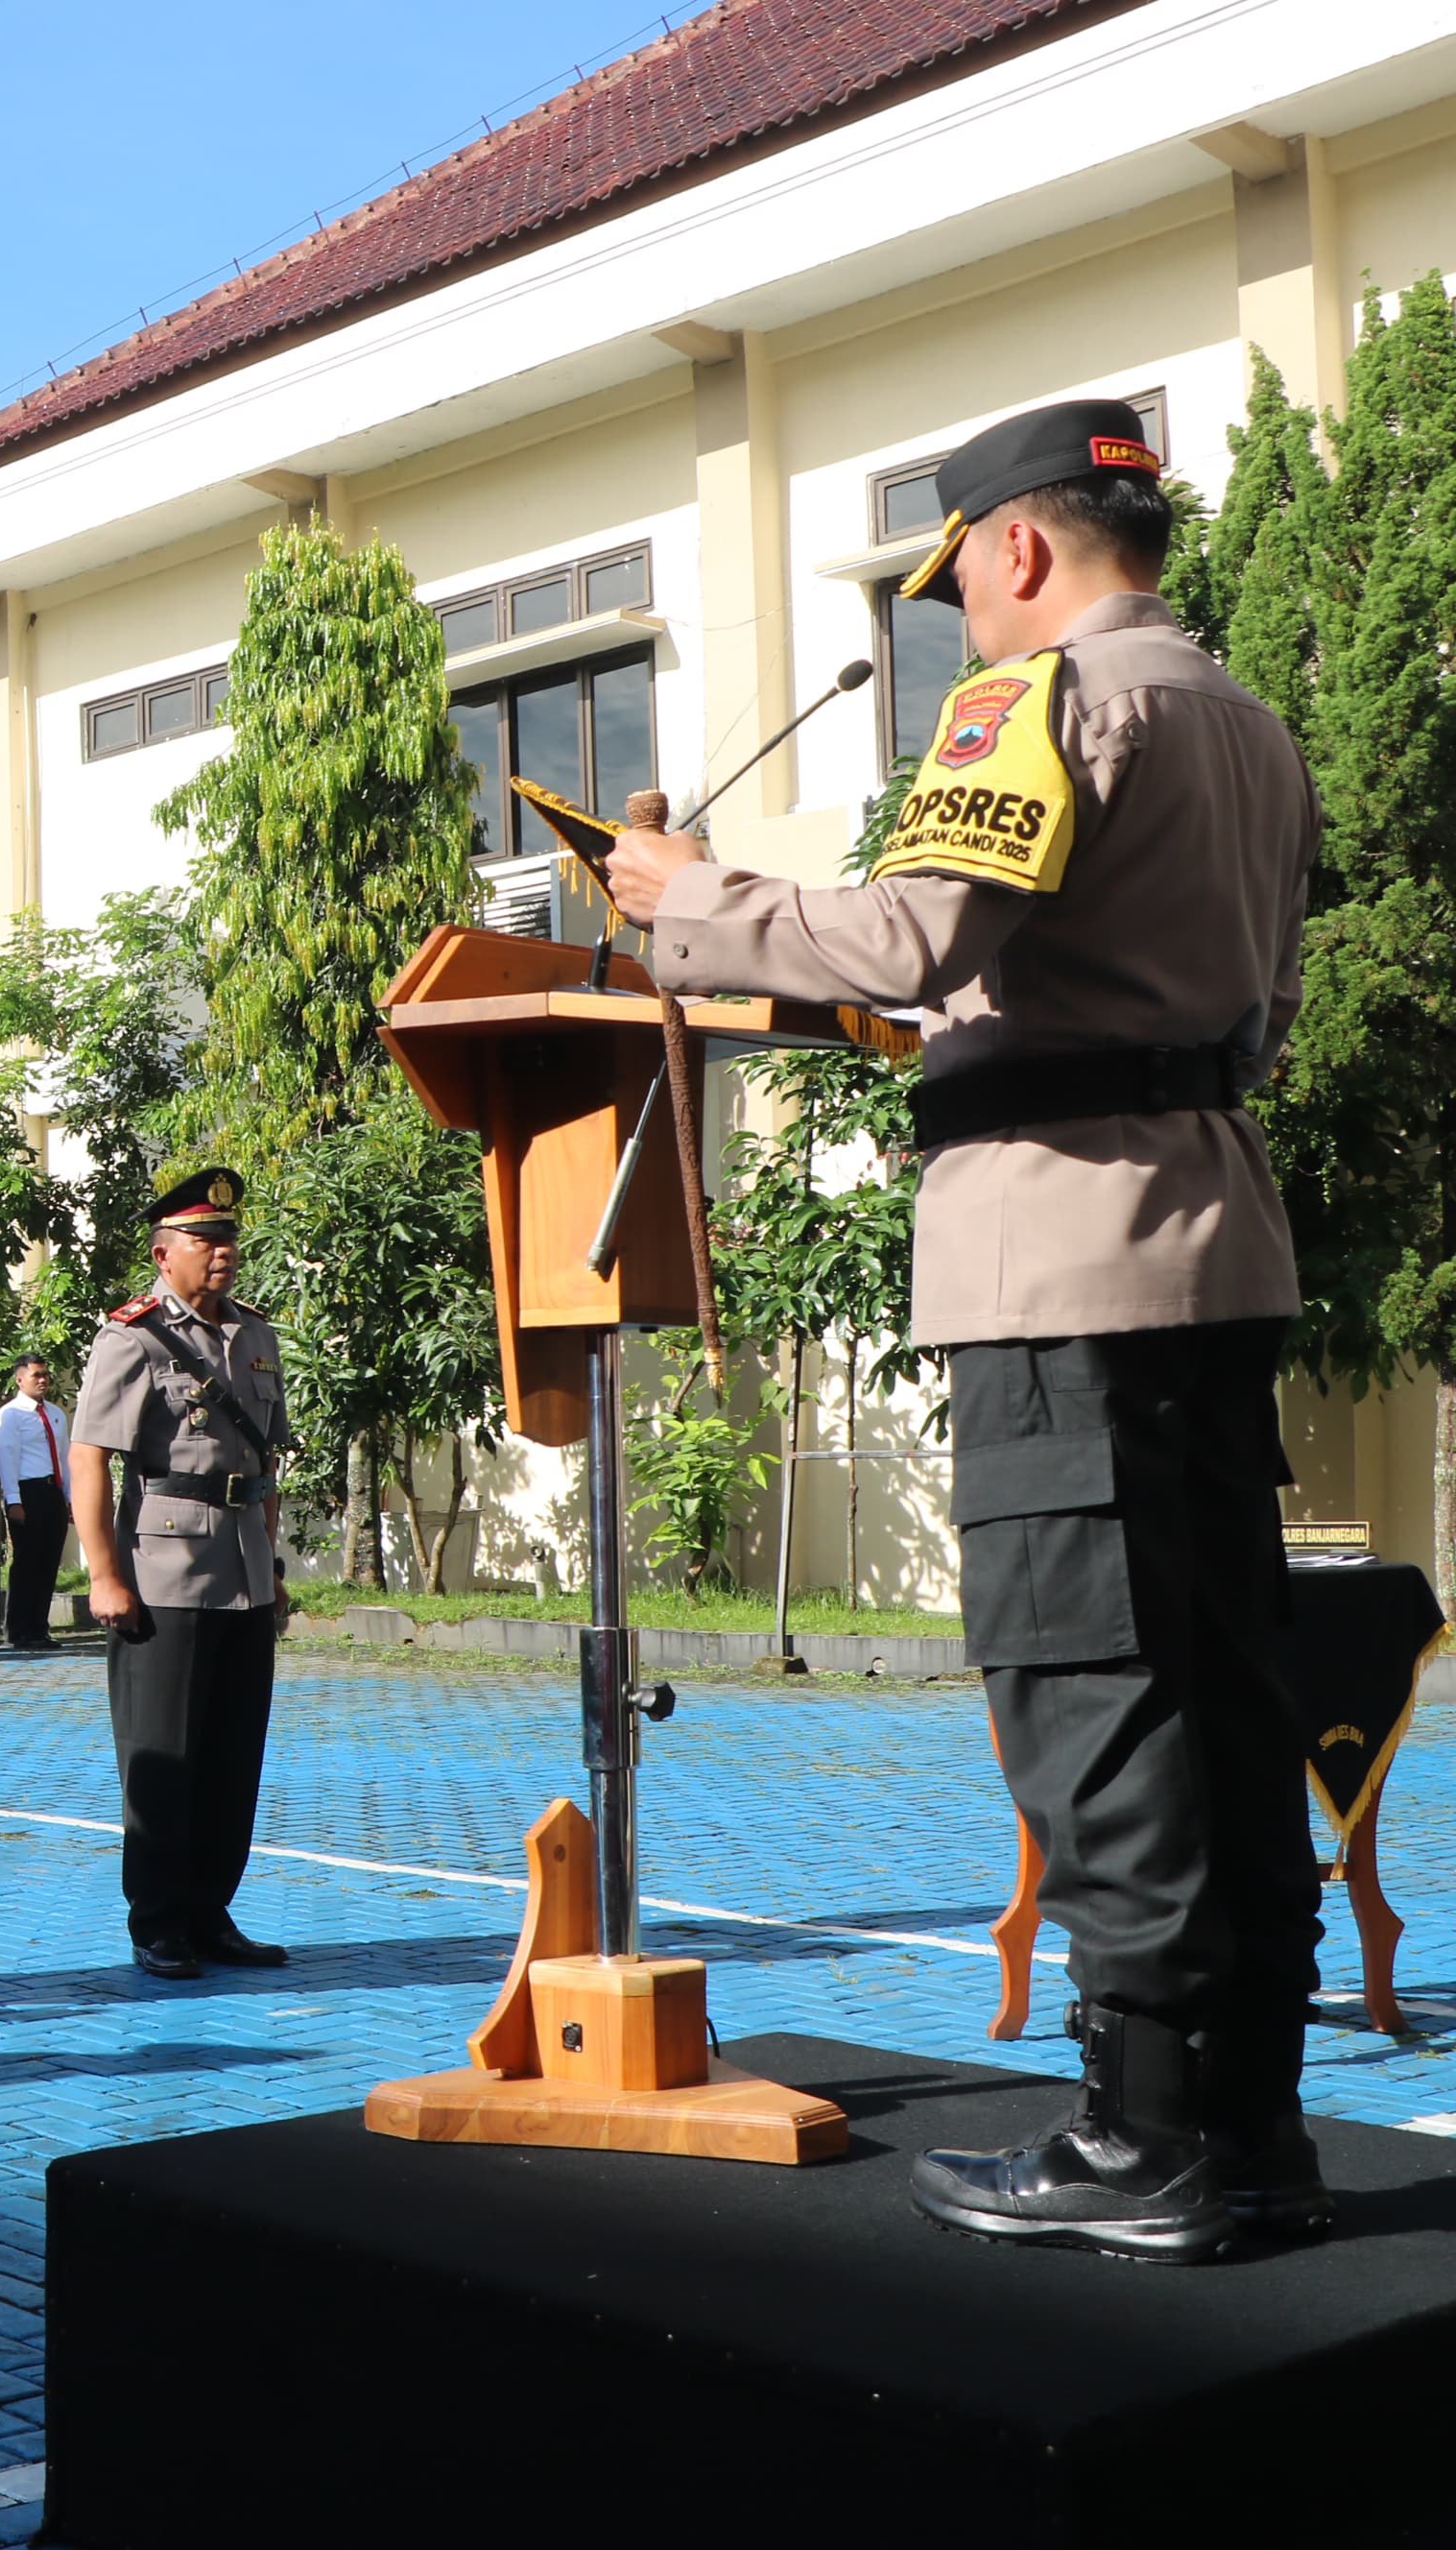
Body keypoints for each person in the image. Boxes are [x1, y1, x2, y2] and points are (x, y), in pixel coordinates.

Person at [604, 398, 1322, 2264]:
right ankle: (1245, 2124)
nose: (965, 623)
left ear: (1013, 546)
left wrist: (690, 902)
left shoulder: (1030, 698)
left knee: (1090, 1687)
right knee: (1222, 1688)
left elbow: (916, 935)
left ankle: (1140, 2137)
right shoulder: (1243, 720)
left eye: (960, 588)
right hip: (1210, 1237)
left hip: (1055, 1258)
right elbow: (1218, 1000)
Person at [69, 1167, 296, 1983]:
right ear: (164, 1254)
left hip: (243, 1567)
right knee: (163, 1755)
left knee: (233, 1755)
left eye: (228, 1239)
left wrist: (270, 1561)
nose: (222, 1252)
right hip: (163, 1568)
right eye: (204, 1240)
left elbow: (265, 1463)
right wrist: (104, 1573)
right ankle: (159, 1920)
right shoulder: (131, 1338)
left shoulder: (256, 1335)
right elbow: (90, 1458)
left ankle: (209, 1911)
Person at [0, 1358, 71, 1650]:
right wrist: (13, 1500)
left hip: (52, 1490)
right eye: (36, 1375)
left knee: (49, 1561)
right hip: (27, 1490)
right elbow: (7, 1460)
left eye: (45, 1374)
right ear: (20, 1380)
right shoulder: (10, 1415)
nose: (43, 1380)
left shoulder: (56, 1414)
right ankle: (18, 1629)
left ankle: (39, 1627)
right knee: (27, 1562)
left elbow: (64, 1458)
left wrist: (69, 1497)